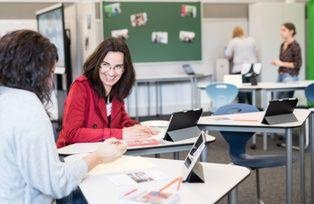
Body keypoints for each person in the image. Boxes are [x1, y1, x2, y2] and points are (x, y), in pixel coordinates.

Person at [0, 30, 127, 203]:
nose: (51, 82)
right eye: (51, 73)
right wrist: (98, 156)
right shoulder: (30, 112)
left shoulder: (6, 99)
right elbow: (56, 183)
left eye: (118, 67)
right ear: (36, 73)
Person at [57, 37, 157, 148]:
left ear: (124, 69)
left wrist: (140, 128)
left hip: (102, 152)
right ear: (97, 64)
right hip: (73, 155)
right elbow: (72, 133)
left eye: (118, 66)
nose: (111, 72)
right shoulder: (80, 87)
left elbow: (122, 121)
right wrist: (121, 134)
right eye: (105, 64)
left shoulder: (116, 87)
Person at [225, 26, 258, 104]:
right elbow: (256, 53)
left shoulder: (233, 41)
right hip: (251, 68)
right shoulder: (251, 40)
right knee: (251, 90)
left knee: (241, 91)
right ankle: (252, 109)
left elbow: (228, 55)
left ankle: (242, 110)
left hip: (239, 68)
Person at [272, 22, 302, 98]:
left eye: (284, 30)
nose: (281, 32)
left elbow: (297, 64)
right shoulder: (282, 45)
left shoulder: (295, 46)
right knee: (275, 99)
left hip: (290, 76)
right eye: (281, 30)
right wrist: (277, 63)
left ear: (291, 31)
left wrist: (281, 63)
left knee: (285, 101)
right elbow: (283, 61)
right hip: (281, 75)